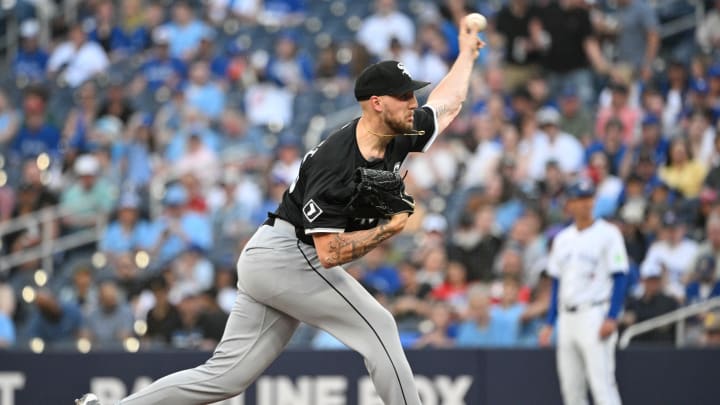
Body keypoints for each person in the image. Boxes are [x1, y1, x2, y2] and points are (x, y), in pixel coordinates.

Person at [76, 14, 484, 405]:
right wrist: (384, 231)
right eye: (405, 96)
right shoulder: (337, 164)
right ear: (376, 103)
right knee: (380, 326)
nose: (414, 103)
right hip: (290, 255)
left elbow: (446, 104)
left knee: (225, 376)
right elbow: (328, 255)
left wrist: (466, 53)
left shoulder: (399, 131)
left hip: (272, 255)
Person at [538, 179, 629, 405]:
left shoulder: (608, 234)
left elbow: (620, 276)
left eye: (588, 198)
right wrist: (550, 322)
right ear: (569, 204)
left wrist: (612, 316)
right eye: (579, 199)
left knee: (602, 385)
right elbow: (557, 283)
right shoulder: (562, 239)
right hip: (567, 317)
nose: (584, 204)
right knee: (571, 388)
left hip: (594, 313)